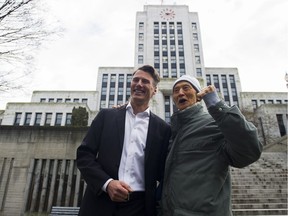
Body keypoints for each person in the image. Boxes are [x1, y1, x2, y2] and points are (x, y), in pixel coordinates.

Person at [160, 75, 262, 216]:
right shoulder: (171, 132)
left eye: (186, 88)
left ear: (198, 95)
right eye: (176, 90)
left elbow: (249, 151)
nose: (180, 93)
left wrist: (217, 105)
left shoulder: (214, 123)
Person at [76, 65, 171, 216]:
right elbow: (84, 155)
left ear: (155, 90)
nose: (139, 84)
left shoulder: (163, 129)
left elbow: (164, 171)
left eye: (145, 81)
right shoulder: (106, 116)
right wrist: (107, 184)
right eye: (135, 80)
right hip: (100, 202)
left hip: (139, 207)